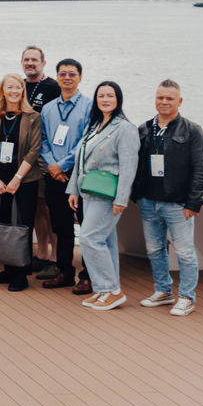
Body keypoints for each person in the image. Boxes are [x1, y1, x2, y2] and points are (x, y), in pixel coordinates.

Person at [134, 80, 203, 316]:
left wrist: (194, 202)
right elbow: (135, 165)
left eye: (169, 98)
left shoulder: (192, 131)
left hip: (178, 203)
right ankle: (163, 291)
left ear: (180, 101)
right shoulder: (144, 129)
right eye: (160, 98)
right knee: (154, 249)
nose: (164, 102)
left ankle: (187, 296)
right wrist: (136, 195)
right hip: (148, 201)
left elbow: (200, 168)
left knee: (185, 252)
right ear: (155, 99)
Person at [68, 81, 140, 311]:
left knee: (89, 238)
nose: (105, 99)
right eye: (101, 96)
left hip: (107, 194)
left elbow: (129, 167)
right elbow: (80, 160)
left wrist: (121, 199)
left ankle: (112, 290)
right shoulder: (95, 126)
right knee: (106, 241)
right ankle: (104, 291)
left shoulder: (125, 129)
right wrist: (73, 189)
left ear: (118, 99)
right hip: (89, 190)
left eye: (110, 95)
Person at [0, 73, 44, 291]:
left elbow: (34, 151)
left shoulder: (32, 116)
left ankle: (20, 274)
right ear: (3, 91)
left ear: (22, 91)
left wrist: (17, 178)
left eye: (18, 87)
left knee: (22, 225)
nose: (14, 91)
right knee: (2, 222)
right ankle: (7, 268)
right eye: (9, 87)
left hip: (24, 181)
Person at [38, 58, 91, 291]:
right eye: (62, 74)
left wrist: (63, 164)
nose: (67, 77)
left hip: (79, 175)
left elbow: (85, 141)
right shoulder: (48, 108)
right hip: (54, 176)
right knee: (61, 226)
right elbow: (44, 141)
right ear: (57, 77)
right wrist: (52, 165)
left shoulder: (90, 106)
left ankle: (88, 276)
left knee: (87, 226)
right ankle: (64, 272)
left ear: (80, 77)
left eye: (72, 74)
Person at [21, 46, 62, 277]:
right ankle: (43, 252)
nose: (30, 63)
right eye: (26, 60)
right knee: (37, 206)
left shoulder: (53, 87)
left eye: (34, 60)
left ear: (43, 63)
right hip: (27, 158)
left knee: (51, 206)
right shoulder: (21, 85)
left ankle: (55, 256)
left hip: (47, 155)